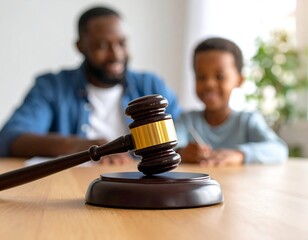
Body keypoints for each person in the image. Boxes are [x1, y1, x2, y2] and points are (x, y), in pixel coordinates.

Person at [0, 6, 182, 161]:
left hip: (142, 187)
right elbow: (10, 138)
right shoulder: (53, 87)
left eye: (122, 43)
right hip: (71, 186)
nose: (116, 55)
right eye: (102, 45)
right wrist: (89, 148)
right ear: (80, 46)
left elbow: (182, 135)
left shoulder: (151, 86)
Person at [175, 37, 288, 167]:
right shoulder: (186, 120)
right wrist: (182, 152)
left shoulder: (247, 121)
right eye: (201, 77)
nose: (209, 84)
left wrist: (240, 154)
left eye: (220, 76)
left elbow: (279, 150)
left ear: (239, 80)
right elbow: (167, 150)